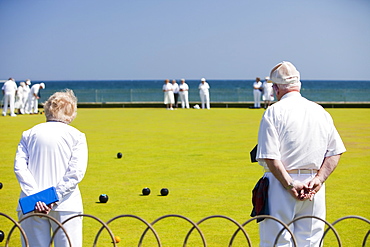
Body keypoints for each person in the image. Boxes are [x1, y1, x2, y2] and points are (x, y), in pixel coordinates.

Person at [255, 61, 346, 246]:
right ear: (298, 85)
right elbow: (335, 152)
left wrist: (290, 185)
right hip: (313, 186)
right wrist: (319, 179)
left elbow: (270, 156)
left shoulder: (273, 112)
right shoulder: (320, 111)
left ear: (276, 88)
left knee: (277, 242)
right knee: (311, 241)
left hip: (281, 185)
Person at [14, 89, 88, 247]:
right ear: (71, 113)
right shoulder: (77, 136)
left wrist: (36, 198)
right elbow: (75, 174)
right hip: (66, 205)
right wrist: (51, 198)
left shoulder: (28, 134)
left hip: (30, 204)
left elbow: (20, 168)